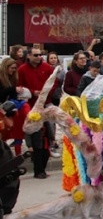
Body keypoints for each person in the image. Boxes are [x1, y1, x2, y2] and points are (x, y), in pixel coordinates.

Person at [17, 48, 57, 179]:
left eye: (40, 54)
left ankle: (46, 159)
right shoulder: (22, 69)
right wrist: (33, 92)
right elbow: (19, 86)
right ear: (28, 56)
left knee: (47, 134)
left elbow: (54, 83)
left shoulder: (47, 67)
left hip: (46, 105)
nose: (39, 57)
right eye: (36, 55)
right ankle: (38, 170)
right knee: (36, 139)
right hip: (31, 107)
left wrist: (45, 94)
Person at [0, 58, 30, 156]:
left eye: (15, 68)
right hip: (1, 109)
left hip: (8, 108)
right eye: (12, 68)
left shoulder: (12, 78)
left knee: (17, 126)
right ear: (6, 67)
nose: (13, 70)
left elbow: (12, 95)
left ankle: (17, 152)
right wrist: (13, 89)